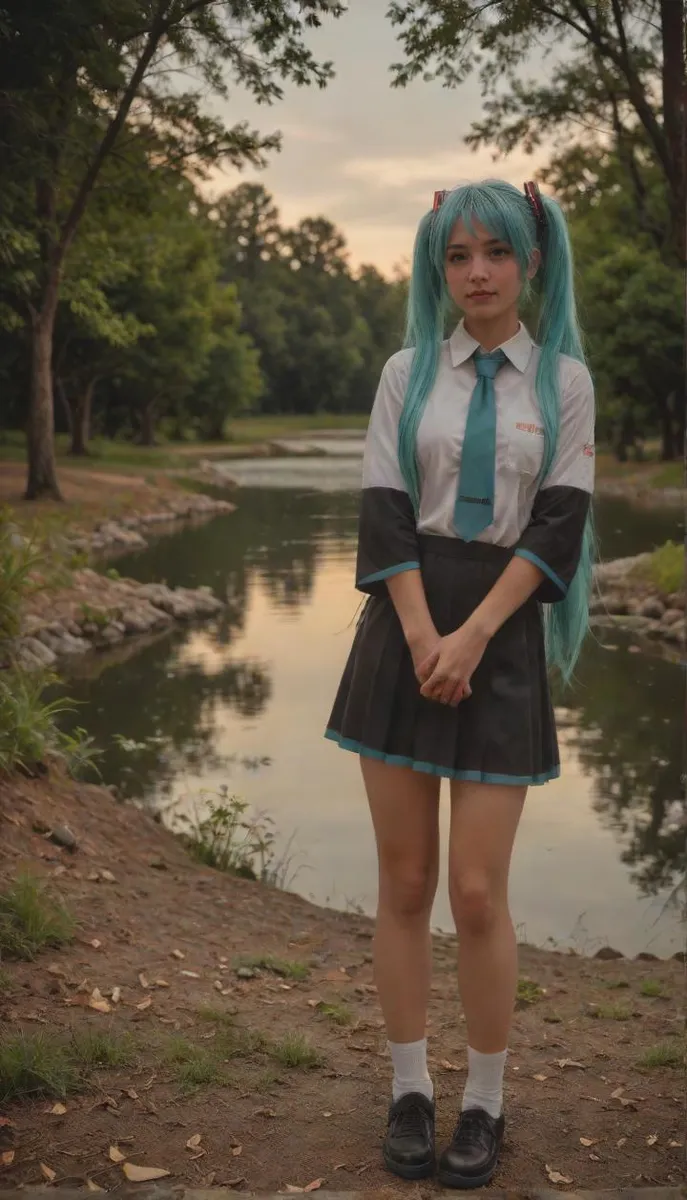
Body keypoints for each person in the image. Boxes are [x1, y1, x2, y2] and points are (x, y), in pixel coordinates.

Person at [324, 179, 595, 1189]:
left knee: (478, 894)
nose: (476, 273)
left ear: (530, 263)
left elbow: (559, 524)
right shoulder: (407, 372)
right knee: (404, 883)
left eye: (496, 253)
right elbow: (384, 510)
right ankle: (409, 1089)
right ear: (438, 267)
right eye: (457, 255)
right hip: (403, 629)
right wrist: (422, 632)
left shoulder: (564, 383)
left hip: (502, 638)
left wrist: (474, 636)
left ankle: (484, 1103)